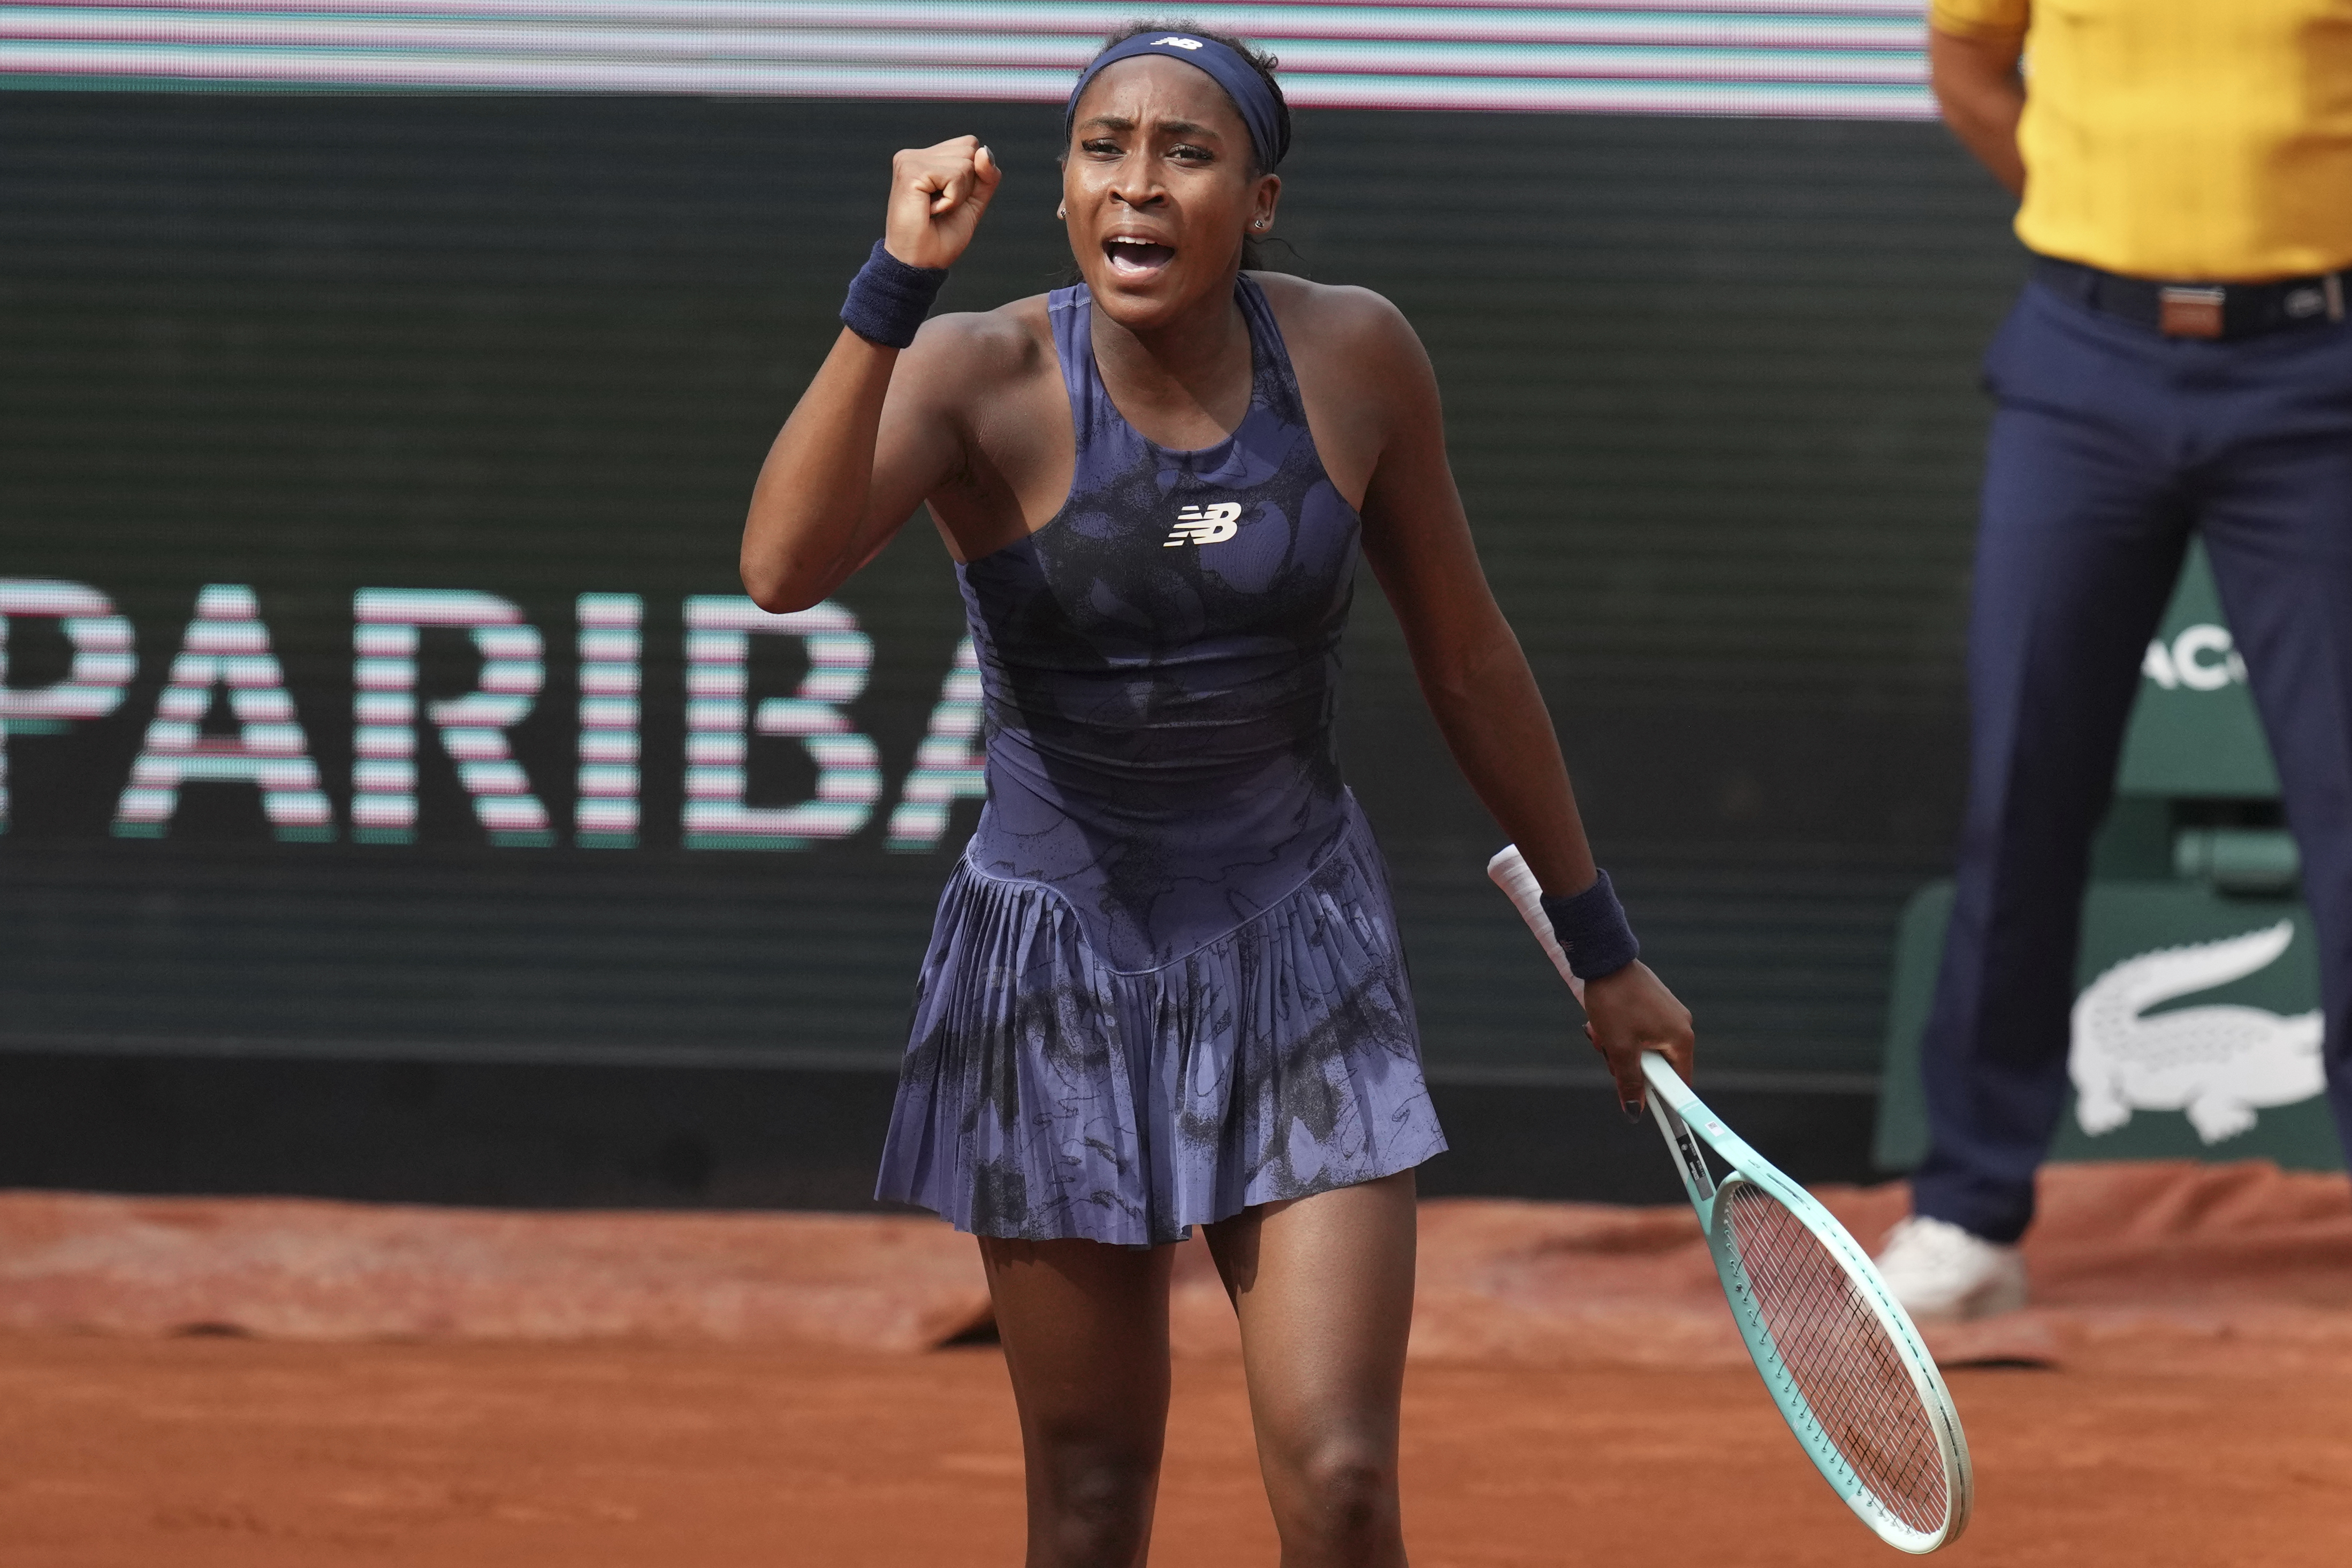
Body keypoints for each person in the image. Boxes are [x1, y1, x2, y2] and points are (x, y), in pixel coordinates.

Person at [741, 25, 1695, 1565]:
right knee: (1095, 1501)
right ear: (1061, 189)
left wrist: (1602, 952)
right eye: (1102, 148)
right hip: (1049, 972)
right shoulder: (975, 369)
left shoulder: (1355, 356)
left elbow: (1467, 662)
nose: (1137, 184)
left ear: (1255, 199)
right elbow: (780, 569)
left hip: (1297, 959)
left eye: (1184, 153)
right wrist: (892, 284)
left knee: (1339, 1482)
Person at [1878, 0, 2352, 1320]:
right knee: (2022, 789)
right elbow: (1968, 62)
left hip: (2320, 372)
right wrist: (2111, 231)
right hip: (2083, 364)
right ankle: (1966, 1208)